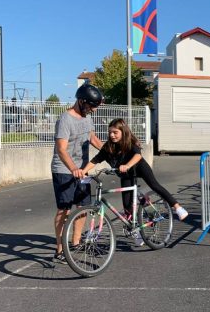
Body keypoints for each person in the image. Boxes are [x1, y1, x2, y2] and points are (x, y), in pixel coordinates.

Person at [80, 119, 189, 234]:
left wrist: (127, 165)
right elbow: (95, 160)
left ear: (123, 132)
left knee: (154, 185)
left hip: (139, 167)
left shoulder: (130, 142)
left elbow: (137, 155)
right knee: (127, 205)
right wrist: (83, 171)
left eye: (115, 132)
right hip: (126, 174)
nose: (112, 135)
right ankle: (135, 232)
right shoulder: (108, 147)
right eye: (110, 132)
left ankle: (177, 207)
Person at [50, 84, 105, 264]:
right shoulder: (65, 119)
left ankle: (75, 243)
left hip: (82, 170)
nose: (93, 111)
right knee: (64, 209)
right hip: (64, 169)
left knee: (82, 207)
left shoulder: (87, 118)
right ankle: (60, 248)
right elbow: (61, 149)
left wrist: (112, 152)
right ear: (81, 102)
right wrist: (73, 168)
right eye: (91, 106)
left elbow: (93, 139)